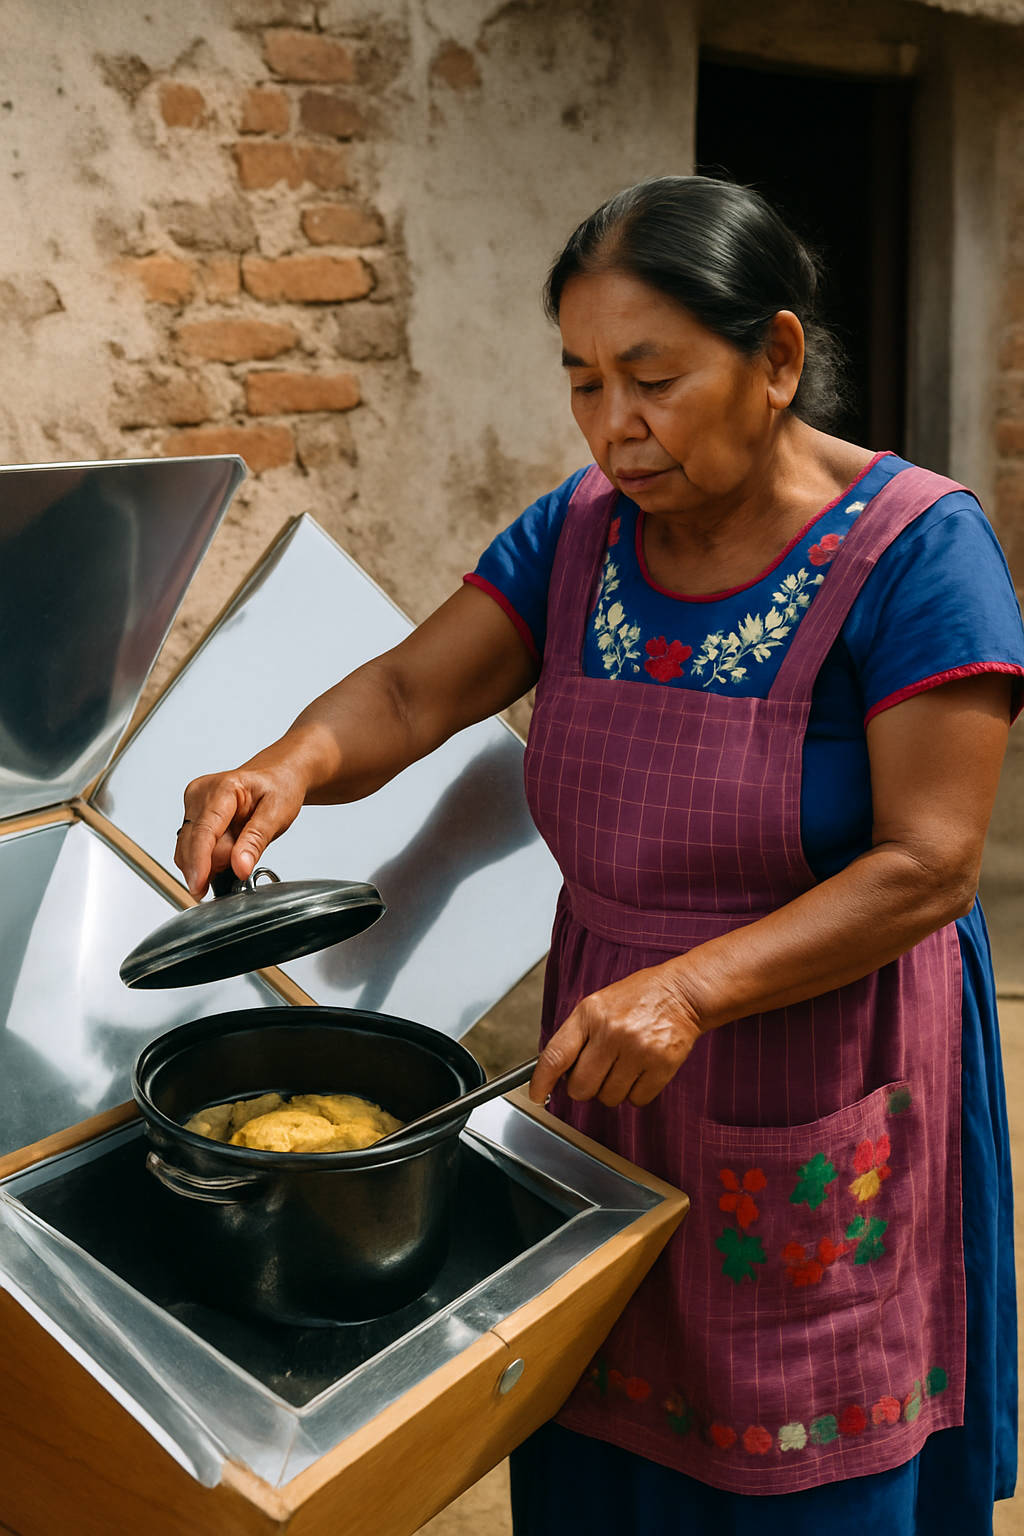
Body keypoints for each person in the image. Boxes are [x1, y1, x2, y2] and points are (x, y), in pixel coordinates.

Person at [175, 177, 1024, 1533]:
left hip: (821, 1069)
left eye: (653, 379)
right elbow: (408, 692)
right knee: (599, 1424)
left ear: (777, 360)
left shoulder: (918, 552)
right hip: (606, 1073)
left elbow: (927, 866)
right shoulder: (579, 534)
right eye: (583, 381)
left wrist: (689, 990)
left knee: (799, 1448)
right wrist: (288, 763)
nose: (613, 424)